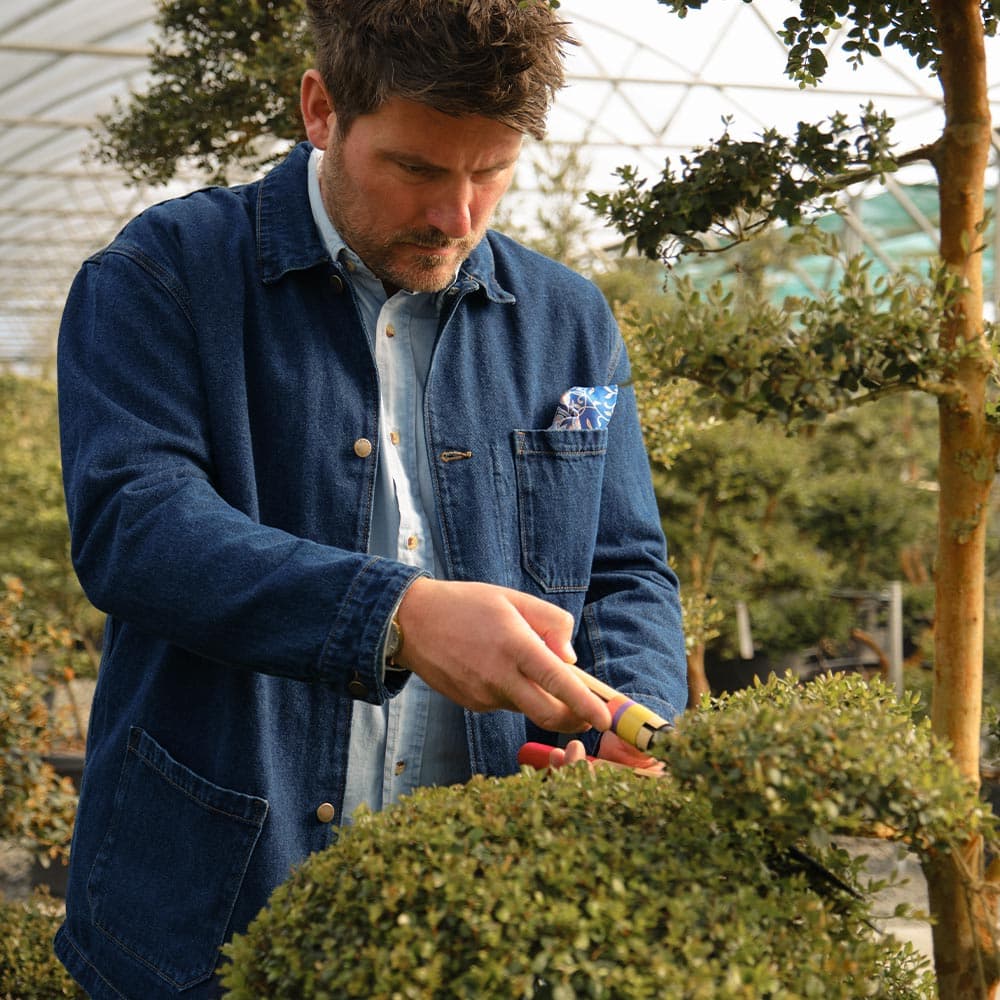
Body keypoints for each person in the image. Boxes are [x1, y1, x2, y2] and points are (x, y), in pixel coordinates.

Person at [54, 1, 687, 996]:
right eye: (417, 169)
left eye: (491, 172)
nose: (458, 216)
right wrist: (396, 617)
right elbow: (137, 522)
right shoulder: (163, 273)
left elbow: (622, 565)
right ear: (320, 109)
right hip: (214, 906)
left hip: (484, 919)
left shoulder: (568, 323)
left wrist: (629, 718)